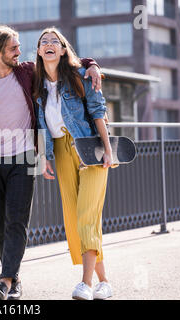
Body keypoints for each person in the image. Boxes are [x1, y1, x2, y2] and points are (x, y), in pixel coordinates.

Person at [0, 25, 102, 300]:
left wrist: (91, 65)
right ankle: (14, 278)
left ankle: (5, 280)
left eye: (20, 47)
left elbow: (60, 61)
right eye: (13, 48)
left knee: (17, 221)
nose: (19, 52)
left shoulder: (26, 73)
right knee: (0, 224)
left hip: (25, 157)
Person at [34, 27, 113, 300]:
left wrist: (108, 148)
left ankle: (86, 284)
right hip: (59, 150)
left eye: (55, 41)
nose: (49, 44)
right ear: (39, 51)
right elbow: (41, 126)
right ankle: (105, 282)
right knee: (73, 220)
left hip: (89, 147)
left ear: (64, 50)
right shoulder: (37, 87)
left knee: (86, 218)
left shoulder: (80, 76)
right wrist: (44, 158)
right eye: (44, 42)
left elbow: (98, 110)